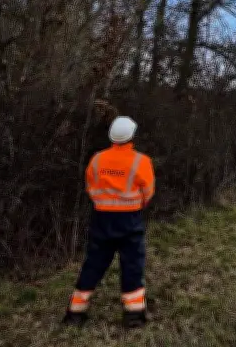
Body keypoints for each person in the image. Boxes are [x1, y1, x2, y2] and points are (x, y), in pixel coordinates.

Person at [63, 116, 155, 328]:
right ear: (132, 136)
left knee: (94, 263)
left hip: (101, 218)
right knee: (132, 265)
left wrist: (103, 202)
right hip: (129, 219)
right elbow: (147, 192)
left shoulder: (97, 159)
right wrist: (135, 203)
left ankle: (75, 312)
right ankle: (133, 314)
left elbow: (90, 186)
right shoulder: (141, 161)